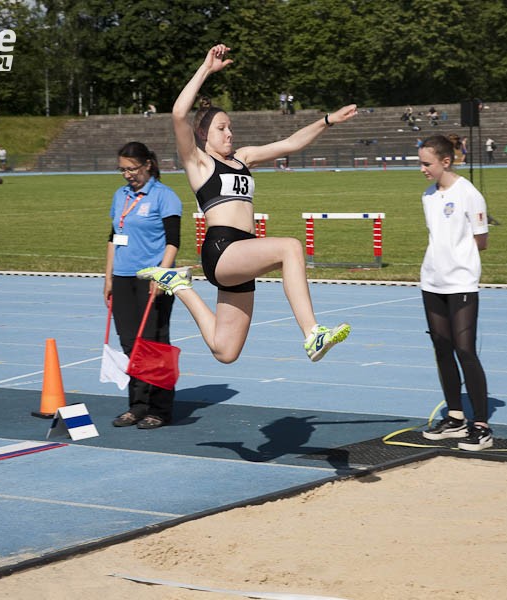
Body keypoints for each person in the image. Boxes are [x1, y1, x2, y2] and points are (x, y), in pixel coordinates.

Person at [137, 44, 356, 364]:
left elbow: (291, 143)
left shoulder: (244, 158)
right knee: (291, 248)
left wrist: (328, 120)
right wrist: (206, 69)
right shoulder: (198, 163)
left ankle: (180, 285)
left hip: (244, 254)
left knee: (225, 350)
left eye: (230, 127)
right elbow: (179, 113)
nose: (229, 133)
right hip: (222, 249)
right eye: (221, 128)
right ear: (202, 134)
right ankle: (312, 333)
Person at [416, 135, 492, 451]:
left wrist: (458, 259)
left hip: (461, 282)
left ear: (445, 161)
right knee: (442, 348)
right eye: (420, 163)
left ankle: (482, 426)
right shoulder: (428, 195)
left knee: (465, 349)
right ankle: (456, 417)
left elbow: (481, 240)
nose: (422, 169)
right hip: (432, 281)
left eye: (427, 163)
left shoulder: (469, 194)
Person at [105, 142, 183, 429]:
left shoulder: (165, 196)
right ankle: (137, 406)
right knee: (130, 344)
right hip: (123, 278)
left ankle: (160, 409)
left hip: (153, 279)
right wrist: (108, 277)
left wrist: (161, 275)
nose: (127, 175)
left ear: (148, 165)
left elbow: (173, 241)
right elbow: (113, 238)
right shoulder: (121, 195)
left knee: (154, 344)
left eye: (132, 169)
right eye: (122, 170)